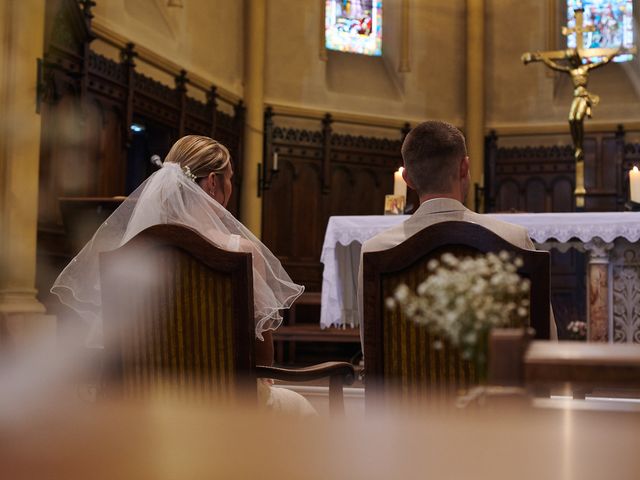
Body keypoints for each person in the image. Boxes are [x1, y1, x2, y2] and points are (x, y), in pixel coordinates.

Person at [52, 135, 316, 415]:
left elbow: (116, 341)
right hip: (226, 403)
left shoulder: (133, 255)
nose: (231, 188)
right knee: (301, 409)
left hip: (150, 400)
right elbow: (262, 346)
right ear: (213, 182)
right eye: (230, 179)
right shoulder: (240, 251)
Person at [357, 120, 558, 348]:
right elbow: (545, 343)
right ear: (464, 167)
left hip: (405, 385)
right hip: (492, 383)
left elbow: (370, 348)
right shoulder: (513, 239)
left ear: (408, 180)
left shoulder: (377, 249)